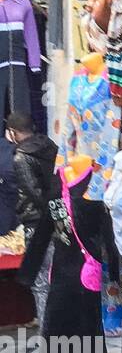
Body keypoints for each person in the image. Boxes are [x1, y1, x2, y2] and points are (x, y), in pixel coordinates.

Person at [10, 112, 57, 327]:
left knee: (40, 284)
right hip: (58, 221)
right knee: (56, 280)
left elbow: (34, 192)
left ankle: (48, 337)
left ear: (14, 133)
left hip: (37, 225)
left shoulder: (21, 157)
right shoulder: (50, 146)